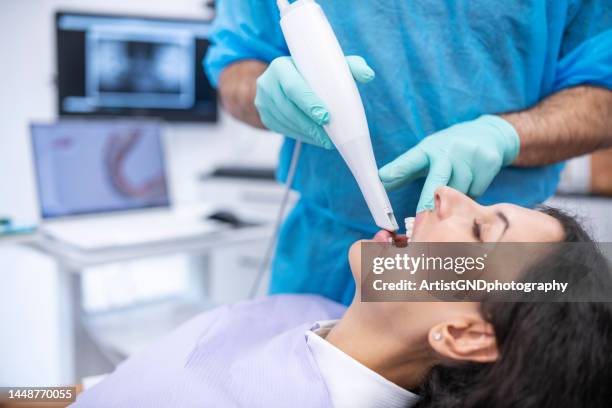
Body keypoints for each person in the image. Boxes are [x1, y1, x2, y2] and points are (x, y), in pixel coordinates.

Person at [205, 0, 612, 304]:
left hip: (486, 275)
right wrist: (264, 92)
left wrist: (505, 135)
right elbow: (236, 63)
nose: (443, 197)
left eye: (483, 226)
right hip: (322, 252)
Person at [73, 187, 612, 407]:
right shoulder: (303, 312)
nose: (447, 194)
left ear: (465, 334)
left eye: (479, 231)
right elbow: (107, 388)